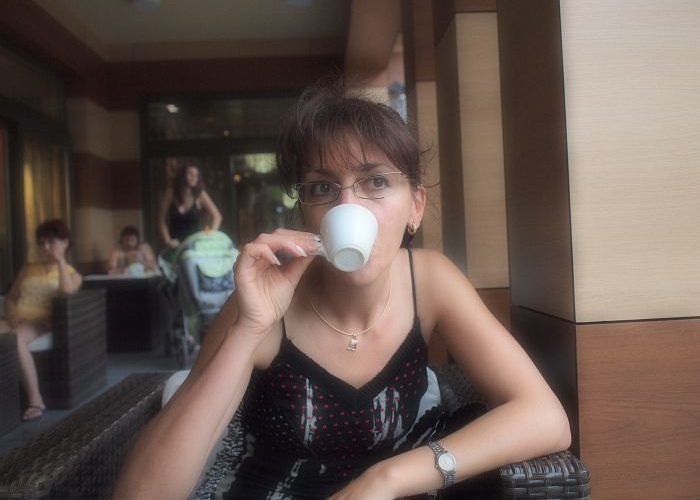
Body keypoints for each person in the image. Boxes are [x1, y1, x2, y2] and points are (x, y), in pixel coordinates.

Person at [114, 82, 570, 499]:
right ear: (306, 214)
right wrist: (248, 328)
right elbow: (140, 494)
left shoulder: (430, 280)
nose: (348, 205)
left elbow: (546, 417)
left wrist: (385, 479)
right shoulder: (265, 302)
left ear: (415, 207)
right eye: (323, 187)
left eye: (376, 181)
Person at [0, 219, 82, 422]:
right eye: (42, 243)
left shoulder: (73, 274)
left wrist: (60, 261)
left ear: (65, 242)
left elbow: (67, 291)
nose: (45, 247)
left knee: (15, 339)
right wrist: (11, 314)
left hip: (39, 322)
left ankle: (35, 399)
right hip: (15, 319)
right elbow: (10, 298)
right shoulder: (29, 268)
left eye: (50, 242)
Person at [157, 164, 223, 249]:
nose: (194, 177)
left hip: (195, 244)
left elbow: (217, 216)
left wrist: (209, 237)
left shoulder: (200, 194)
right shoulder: (171, 193)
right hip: (175, 244)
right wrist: (168, 241)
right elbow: (161, 219)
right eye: (190, 174)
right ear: (182, 175)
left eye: (196, 175)